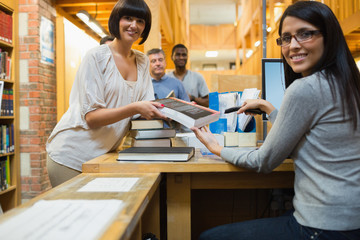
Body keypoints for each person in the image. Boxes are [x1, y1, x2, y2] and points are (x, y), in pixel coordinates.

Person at [193, 1, 360, 239]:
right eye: (286, 38)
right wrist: (270, 110)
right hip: (350, 220)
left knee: (209, 237)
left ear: (328, 37)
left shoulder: (306, 88)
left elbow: (264, 161)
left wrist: (216, 148)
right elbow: (317, 137)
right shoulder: (347, 83)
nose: (293, 46)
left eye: (305, 34)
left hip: (323, 227)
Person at [46, 0, 166, 187]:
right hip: (71, 156)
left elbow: (145, 110)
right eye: (128, 18)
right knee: (77, 215)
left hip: (103, 157)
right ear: (117, 20)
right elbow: (92, 117)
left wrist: (174, 110)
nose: (134, 25)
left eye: (140, 21)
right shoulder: (96, 57)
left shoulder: (142, 61)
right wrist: (135, 107)